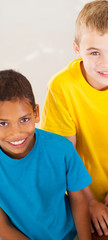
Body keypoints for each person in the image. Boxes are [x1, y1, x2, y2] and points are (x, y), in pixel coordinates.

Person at [40, 0, 108, 237]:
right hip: (78, 190)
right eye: (94, 52)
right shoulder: (62, 87)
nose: (106, 63)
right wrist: (88, 201)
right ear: (77, 49)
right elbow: (64, 154)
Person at [0, 70, 92, 240]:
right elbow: (2, 227)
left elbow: (78, 199)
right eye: (3, 123)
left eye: (24, 120)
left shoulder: (61, 149)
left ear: (36, 113)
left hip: (69, 235)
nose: (16, 133)